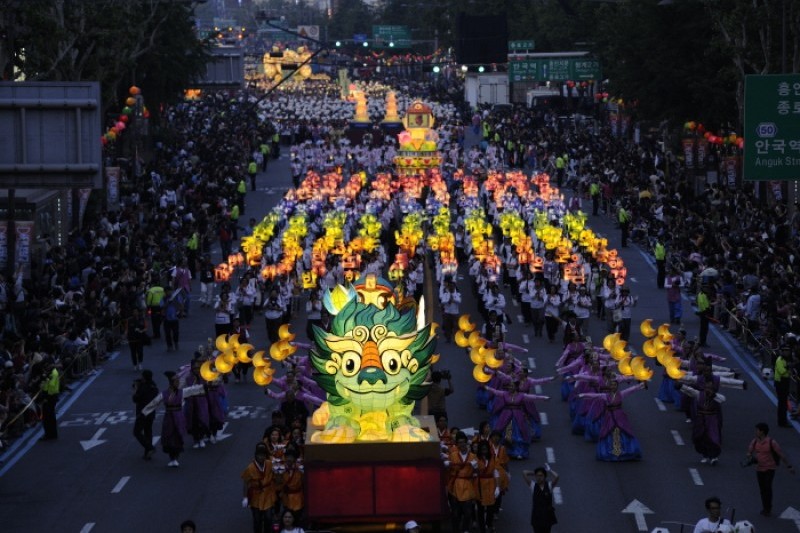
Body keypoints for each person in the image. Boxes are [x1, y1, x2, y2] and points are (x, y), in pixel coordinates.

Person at [746, 422, 795, 516]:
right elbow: (749, 452)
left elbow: (781, 455)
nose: (756, 432)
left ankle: (768, 508)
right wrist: (750, 457)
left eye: (757, 430)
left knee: (767, 487)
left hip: (770, 468)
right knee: (762, 489)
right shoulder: (754, 441)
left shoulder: (772, 442)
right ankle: (765, 506)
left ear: (762, 432)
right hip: (759, 469)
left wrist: (789, 466)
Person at [241, 442, 278, 533]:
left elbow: (274, 475)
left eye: (263, 455)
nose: (261, 457)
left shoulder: (269, 464)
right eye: (259, 455)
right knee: (257, 519)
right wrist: (245, 497)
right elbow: (246, 482)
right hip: (256, 496)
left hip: (267, 494)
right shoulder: (250, 468)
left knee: (268, 518)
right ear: (256, 456)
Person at [522, 464, 559, 533]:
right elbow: (524, 472)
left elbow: (557, 476)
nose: (539, 478)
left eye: (541, 476)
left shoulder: (549, 485)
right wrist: (535, 472)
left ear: (545, 477)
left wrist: (550, 470)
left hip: (547, 516)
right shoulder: (533, 485)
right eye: (537, 476)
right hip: (537, 516)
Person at [133, 369, 159, 459]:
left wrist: (136, 389)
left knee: (136, 432)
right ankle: (147, 454)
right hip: (151, 412)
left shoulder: (142, 388)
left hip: (142, 412)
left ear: (144, 377)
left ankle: (150, 447)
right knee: (148, 431)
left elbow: (135, 399)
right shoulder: (154, 386)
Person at [39, 358, 60, 441]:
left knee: (48, 417)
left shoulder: (53, 373)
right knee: (49, 416)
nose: (46, 367)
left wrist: (46, 378)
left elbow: (51, 385)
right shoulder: (50, 373)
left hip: (50, 397)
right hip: (48, 396)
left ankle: (49, 434)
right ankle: (51, 434)